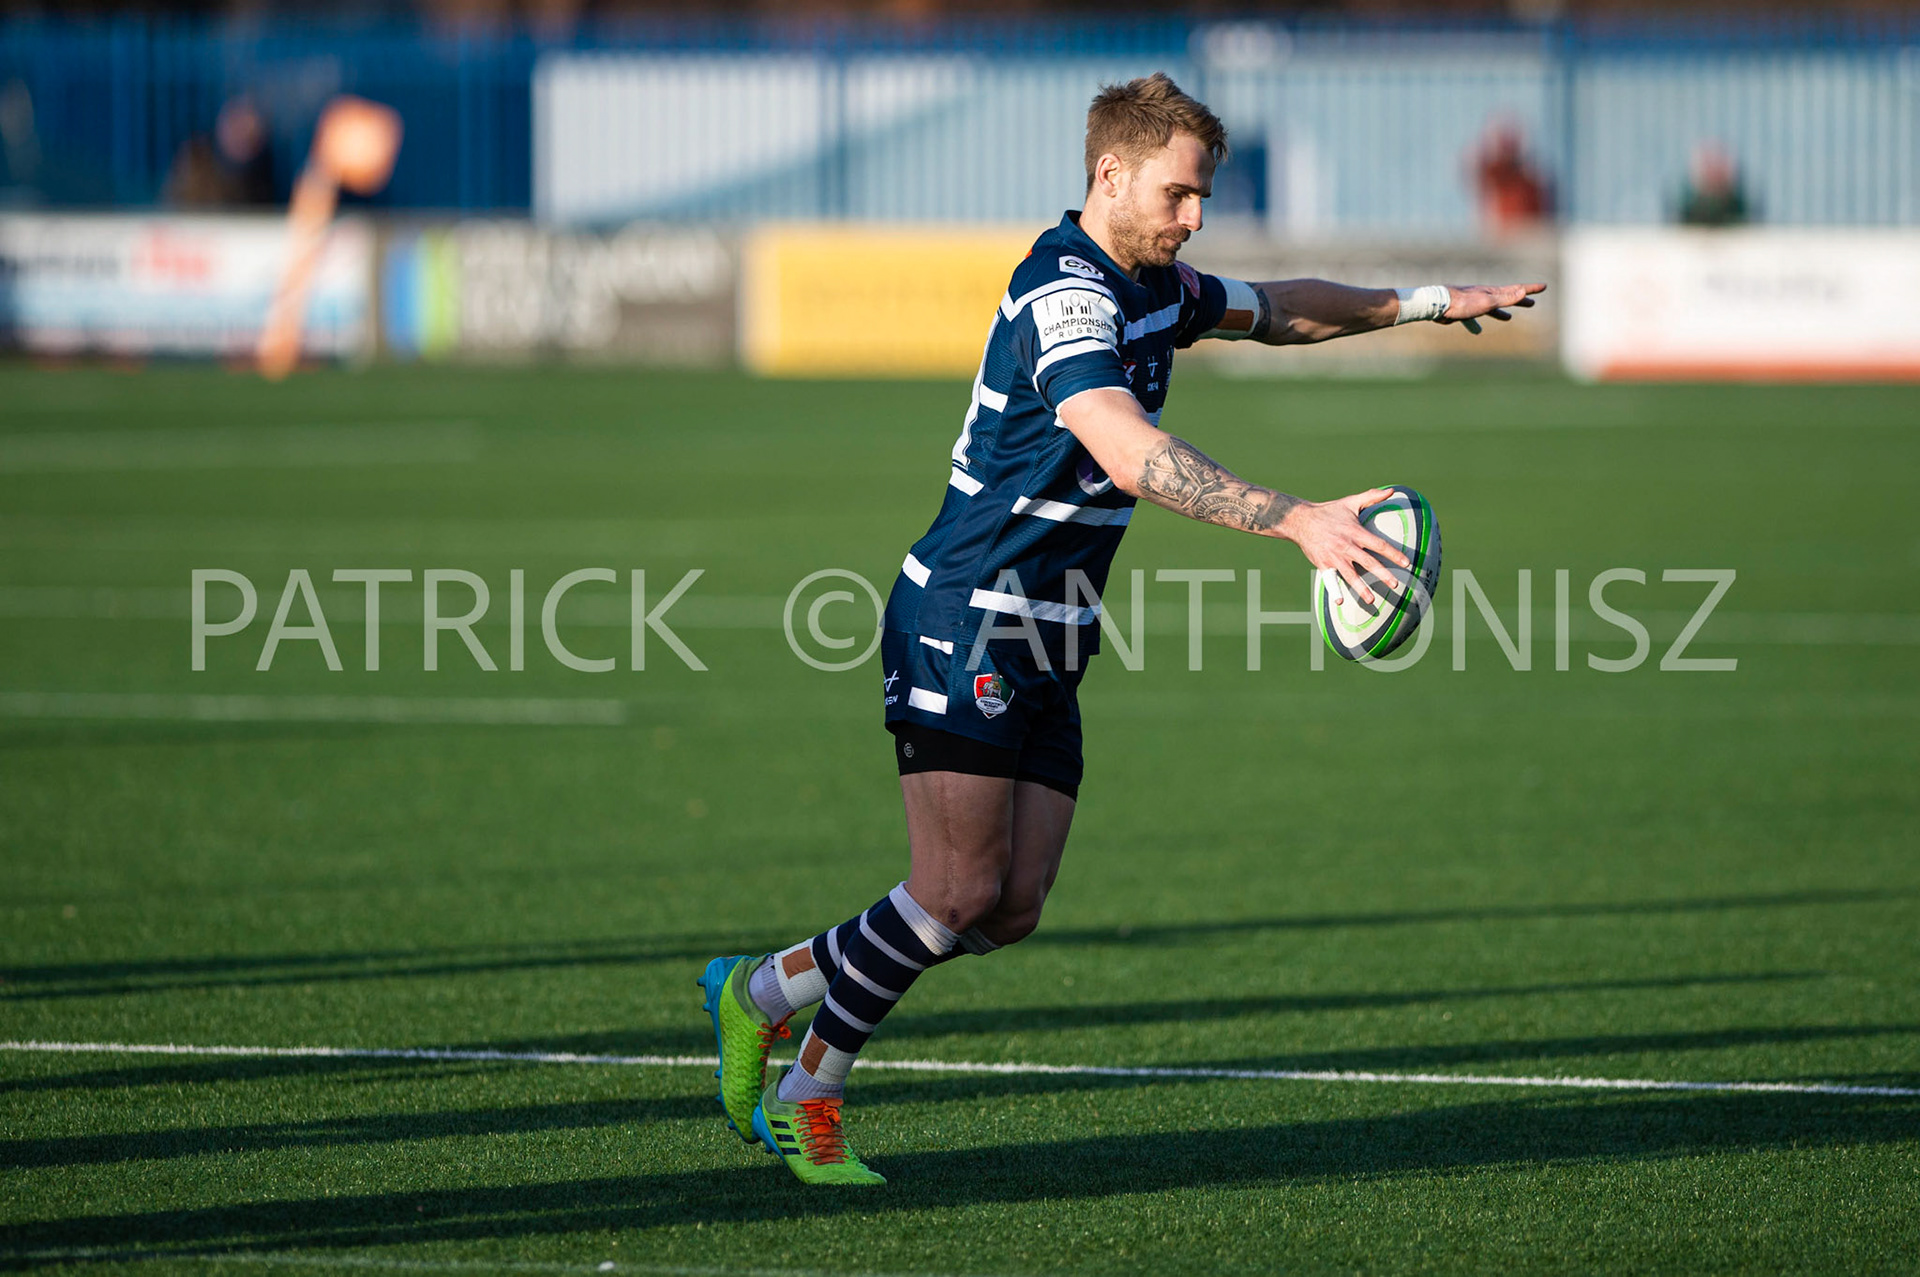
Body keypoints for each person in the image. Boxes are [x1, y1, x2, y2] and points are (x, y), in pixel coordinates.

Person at [700, 72, 1544, 1187]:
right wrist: (1294, 519)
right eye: (1180, 194)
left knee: (1008, 906)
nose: (1195, 218)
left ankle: (760, 989)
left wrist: (1429, 300)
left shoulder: (1156, 282)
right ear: (1110, 172)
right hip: (969, 610)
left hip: (1055, 630)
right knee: (950, 888)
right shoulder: (1068, 294)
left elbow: (1275, 307)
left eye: (1203, 199)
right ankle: (810, 1087)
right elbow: (1123, 445)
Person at [1678, 142, 1753, 227]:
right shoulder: (1687, 211)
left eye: (1718, 165)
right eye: (1709, 165)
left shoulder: (1742, 209)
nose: (1714, 171)